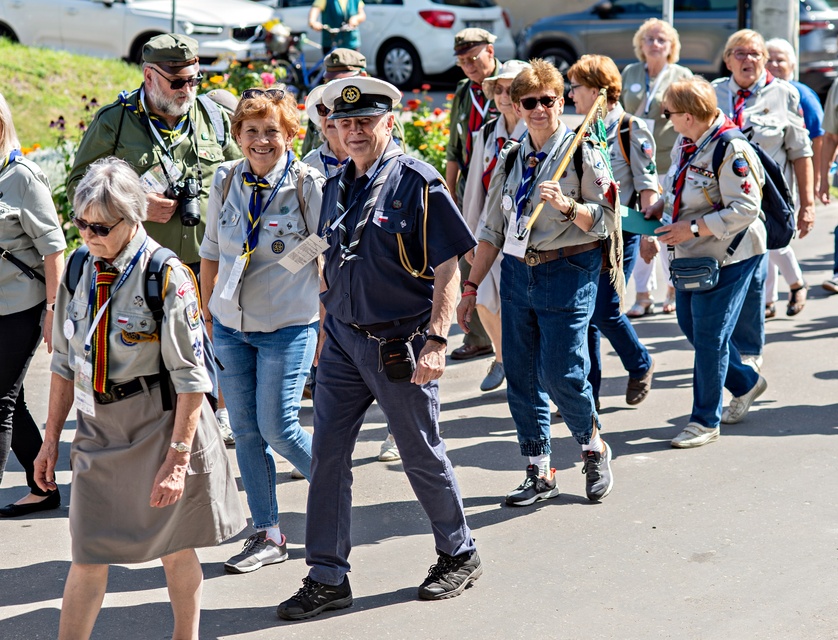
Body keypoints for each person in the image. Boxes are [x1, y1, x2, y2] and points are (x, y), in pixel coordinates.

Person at [276, 77, 481, 621]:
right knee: (327, 458)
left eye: (365, 121)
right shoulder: (339, 181)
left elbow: (448, 268)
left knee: (419, 452)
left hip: (401, 341)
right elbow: (323, 251)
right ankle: (326, 576)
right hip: (343, 339)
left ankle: (459, 551)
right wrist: (322, 324)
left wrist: (438, 340)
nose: (354, 131)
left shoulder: (418, 181)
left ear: (389, 122)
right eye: (344, 124)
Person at [33, 157, 244, 640]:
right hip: (98, 426)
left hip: (158, 424)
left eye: (101, 227)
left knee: (174, 547)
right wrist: (49, 442)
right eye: (81, 223)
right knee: (87, 551)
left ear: (134, 218)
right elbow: (64, 363)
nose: (88, 235)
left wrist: (177, 459)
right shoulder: (81, 266)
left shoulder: (166, 276)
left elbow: (193, 380)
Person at [458, 59, 619, 505]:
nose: (539, 108)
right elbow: (491, 230)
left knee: (561, 372)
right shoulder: (512, 156)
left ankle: (593, 447)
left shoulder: (584, 151)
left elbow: (604, 220)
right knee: (522, 377)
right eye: (529, 102)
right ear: (516, 104)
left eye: (548, 100)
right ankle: (539, 469)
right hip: (516, 271)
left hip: (566, 269)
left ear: (561, 100)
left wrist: (568, 206)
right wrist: (471, 288)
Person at [66, 33, 240, 444]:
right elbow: (79, 186)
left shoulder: (210, 117)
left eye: (195, 80)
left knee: (213, 345)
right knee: (155, 352)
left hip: (206, 258)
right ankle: (159, 433)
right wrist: (136, 202)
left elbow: (242, 171)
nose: (188, 90)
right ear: (149, 75)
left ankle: (215, 418)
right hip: (142, 267)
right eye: (178, 82)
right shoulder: (116, 121)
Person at [199, 88, 324, 574]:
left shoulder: (307, 184)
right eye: (251, 131)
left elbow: (324, 251)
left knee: (279, 427)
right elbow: (211, 251)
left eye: (271, 130)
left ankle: (333, 488)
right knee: (247, 432)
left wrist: (325, 325)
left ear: (290, 134)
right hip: (231, 327)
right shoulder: (225, 178)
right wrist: (209, 315)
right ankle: (267, 532)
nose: (261, 140)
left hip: (288, 326)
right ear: (237, 136)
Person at [646, 78, 767, 448]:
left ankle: (703, 420)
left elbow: (747, 208)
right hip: (695, 255)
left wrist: (693, 228)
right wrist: (659, 210)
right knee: (691, 325)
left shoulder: (731, 148)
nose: (667, 119)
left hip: (731, 253)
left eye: (669, 113)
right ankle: (746, 383)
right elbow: (682, 190)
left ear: (687, 115)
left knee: (711, 336)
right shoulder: (690, 142)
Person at [713, 29, 814, 370]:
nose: (748, 60)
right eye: (739, 53)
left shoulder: (784, 94)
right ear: (727, 60)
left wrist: (808, 204)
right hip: (715, 207)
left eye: (755, 53)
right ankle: (721, 349)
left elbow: (801, 153)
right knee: (719, 280)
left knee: (755, 278)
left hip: (759, 207)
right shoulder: (711, 94)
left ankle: (749, 355)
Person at [567, 55, 657, 410]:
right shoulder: (581, 132)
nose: (571, 94)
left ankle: (640, 363)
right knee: (585, 314)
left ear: (595, 90)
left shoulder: (630, 128)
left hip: (622, 234)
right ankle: (590, 394)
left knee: (605, 310)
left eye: (575, 87)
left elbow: (649, 187)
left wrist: (650, 233)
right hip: (588, 233)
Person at [0, 93, 66, 517]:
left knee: (0, 401)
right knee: (11, 400)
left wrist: (52, 311)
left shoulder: (22, 176)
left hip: (22, 307)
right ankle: (43, 486)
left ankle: (42, 485)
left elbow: (54, 248)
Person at [461, 59, 531, 393]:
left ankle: (529, 373)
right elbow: (475, 185)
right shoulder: (488, 132)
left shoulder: (534, 129)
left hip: (524, 236)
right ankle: (502, 357)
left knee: (522, 309)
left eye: (512, 89)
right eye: (499, 89)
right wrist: (468, 235)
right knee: (486, 298)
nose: (504, 96)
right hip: (489, 232)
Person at [622, 18, 693, 317]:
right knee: (640, 229)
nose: (655, 44)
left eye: (661, 39)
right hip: (634, 163)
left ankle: (673, 289)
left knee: (665, 230)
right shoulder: (630, 72)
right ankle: (642, 294)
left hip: (668, 161)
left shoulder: (681, 74)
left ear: (671, 46)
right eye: (649, 38)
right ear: (640, 44)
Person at [447, 27, 501, 361]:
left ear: (490, 52)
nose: (468, 65)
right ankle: (479, 337)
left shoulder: (511, 82)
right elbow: (455, 146)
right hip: (471, 182)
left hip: (501, 180)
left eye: (473, 57)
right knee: (469, 252)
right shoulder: (465, 91)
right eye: (462, 60)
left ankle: (507, 338)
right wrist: (450, 190)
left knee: (498, 253)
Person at [763, 37, 821, 317]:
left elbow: (815, 140)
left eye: (780, 60)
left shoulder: (798, 94)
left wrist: (818, 183)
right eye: (769, 59)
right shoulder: (754, 94)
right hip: (753, 184)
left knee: (773, 240)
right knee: (763, 243)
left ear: (793, 65)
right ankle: (768, 300)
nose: (773, 65)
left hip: (784, 185)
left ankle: (796, 283)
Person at [299, 49, 405, 158]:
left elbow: (394, 160)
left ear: (363, 75)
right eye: (329, 80)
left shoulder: (382, 117)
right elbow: (306, 155)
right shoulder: (320, 115)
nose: (335, 85)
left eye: (342, 79)